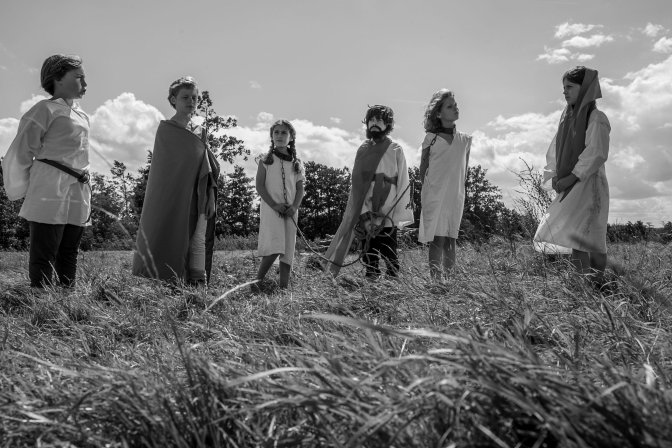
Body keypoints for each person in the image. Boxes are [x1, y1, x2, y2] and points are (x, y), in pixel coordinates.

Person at [2, 54, 90, 288]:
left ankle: (67, 296)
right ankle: (40, 299)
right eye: (79, 77)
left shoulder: (82, 115)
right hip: (49, 185)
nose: (85, 83)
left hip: (78, 187)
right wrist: (26, 187)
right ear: (58, 79)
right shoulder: (44, 109)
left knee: (69, 249)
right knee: (46, 248)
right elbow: (21, 152)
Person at [132, 76, 218, 285]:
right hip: (174, 194)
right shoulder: (167, 129)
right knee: (173, 235)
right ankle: (171, 282)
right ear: (173, 100)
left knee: (198, 238)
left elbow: (206, 166)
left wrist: (210, 195)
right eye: (185, 97)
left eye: (194, 98)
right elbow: (164, 170)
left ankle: (198, 286)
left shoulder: (200, 132)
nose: (191, 101)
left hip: (199, 193)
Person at [534, 66, 610, 285]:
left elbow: (596, 153)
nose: (564, 92)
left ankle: (598, 285)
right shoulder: (567, 120)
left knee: (592, 239)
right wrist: (554, 177)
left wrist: (571, 177)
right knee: (577, 238)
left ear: (584, 88)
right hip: (571, 185)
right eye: (564, 87)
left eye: (570, 87)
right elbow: (555, 151)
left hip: (590, 185)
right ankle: (582, 288)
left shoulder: (596, 118)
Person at [323, 105, 413, 278]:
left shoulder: (396, 149)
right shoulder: (363, 149)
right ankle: (372, 280)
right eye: (371, 120)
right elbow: (357, 184)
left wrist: (394, 212)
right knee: (369, 252)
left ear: (388, 124)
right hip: (366, 211)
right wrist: (363, 212)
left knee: (389, 251)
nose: (374, 123)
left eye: (379, 120)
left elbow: (403, 181)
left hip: (388, 211)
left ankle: (392, 281)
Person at [418, 89, 471, 280]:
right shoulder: (430, 139)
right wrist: (429, 192)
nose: (455, 108)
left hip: (455, 196)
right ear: (438, 113)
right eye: (450, 106)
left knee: (450, 239)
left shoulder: (465, 140)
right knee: (437, 239)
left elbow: (464, 171)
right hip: (435, 195)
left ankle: (450, 282)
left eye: (455, 105)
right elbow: (422, 170)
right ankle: (436, 282)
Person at [254, 120, 305, 290]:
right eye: (276, 132)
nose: (279, 135)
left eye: (284, 132)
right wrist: (275, 205)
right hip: (271, 209)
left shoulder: (297, 163)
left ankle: (283, 287)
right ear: (271, 136)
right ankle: (256, 282)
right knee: (275, 246)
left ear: (291, 138)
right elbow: (260, 186)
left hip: (291, 211)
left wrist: (294, 207)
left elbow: (300, 189)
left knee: (288, 249)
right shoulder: (265, 160)